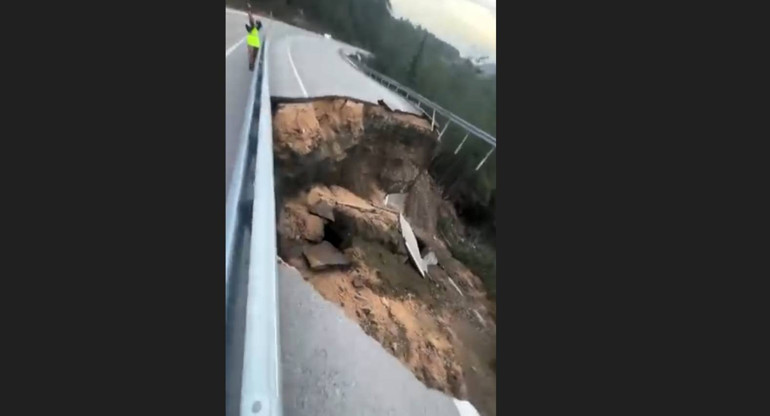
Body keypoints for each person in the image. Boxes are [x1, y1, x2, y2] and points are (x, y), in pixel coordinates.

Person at [245, 4, 262, 71]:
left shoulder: (255, 27)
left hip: (255, 43)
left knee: (253, 56)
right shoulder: (252, 26)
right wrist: (249, 9)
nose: (254, 20)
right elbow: (250, 18)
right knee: (252, 55)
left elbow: (259, 24)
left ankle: (252, 65)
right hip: (252, 43)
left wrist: (249, 9)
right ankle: (251, 65)